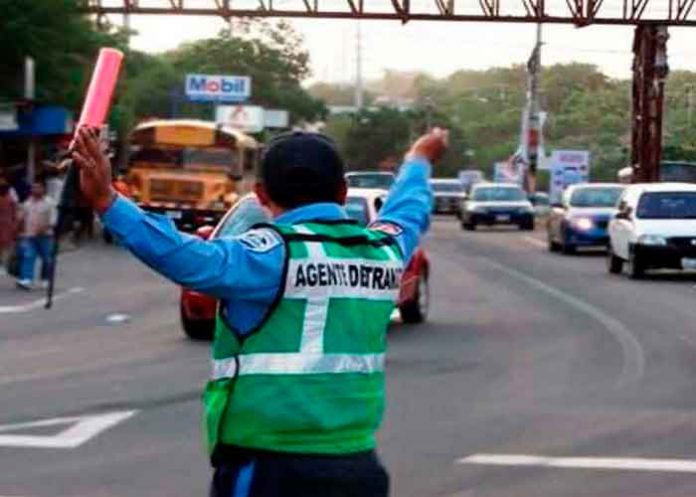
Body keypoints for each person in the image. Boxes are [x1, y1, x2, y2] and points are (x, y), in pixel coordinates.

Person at [71, 125, 447, 497]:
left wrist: (107, 200)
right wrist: (418, 158)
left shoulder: (270, 255)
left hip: (270, 469)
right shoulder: (384, 251)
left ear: (261, 195)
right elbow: (407, 210)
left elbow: (183, 256)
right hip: (359, 468)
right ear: (342, 192)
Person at [16, 180, 57, 290]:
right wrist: (19, 230)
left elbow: (54, 220)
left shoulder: (49, 203)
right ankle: (26, 280)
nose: (35, 190)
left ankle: (46, 279)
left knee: (47, 259)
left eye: (38, 187)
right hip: (30, 236)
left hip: (46, 236)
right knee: (28, 256)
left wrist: (44, 228)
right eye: (33, 188)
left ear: (43, 189)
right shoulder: (27, 203)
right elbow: (21, 218)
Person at [0, 178, 18, 276]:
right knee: (4, 247)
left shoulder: (11, 200)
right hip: (6, 225)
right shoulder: (11, 199)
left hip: (7, 226)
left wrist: (15, 226)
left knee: (5, 247)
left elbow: (15, 214)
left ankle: (3, 266)